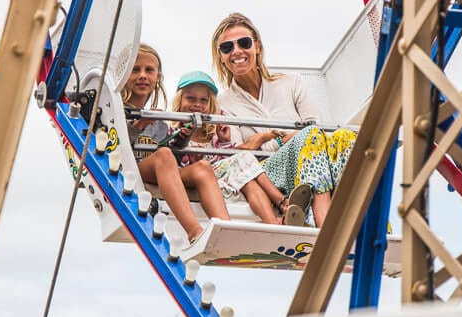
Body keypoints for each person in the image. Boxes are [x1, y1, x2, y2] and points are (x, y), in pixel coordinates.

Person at [211, 13, 358, 227]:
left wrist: (265, 139)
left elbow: (318, 124)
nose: (236, 51)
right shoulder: (223, 105)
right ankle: (321, 222)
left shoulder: (291, 83)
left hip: (312, 160)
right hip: (269, 174)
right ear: (222, 56)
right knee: (311, 137)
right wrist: (284, 139)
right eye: (227, 47)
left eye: (244, 43)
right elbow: (239, 152)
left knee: (345, 136)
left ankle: (359, 214)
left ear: (257, 46)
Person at [170, 70, 309, 226]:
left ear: (210, 105)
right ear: (179, 100)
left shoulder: (213, 133)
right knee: (244, 157)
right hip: (199, 178)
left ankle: (272, 222)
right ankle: (282, 202)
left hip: (221, 176)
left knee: (247, 181)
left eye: (204, 100)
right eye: (191, 98)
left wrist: (224, 142)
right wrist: (190, 157)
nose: (197, 104)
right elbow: (172, 162)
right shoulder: (174, 131)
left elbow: (225, 161)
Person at [122, 44, 230, 241]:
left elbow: (172, 155)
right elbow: (116, 145)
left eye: (149, 70)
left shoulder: (160, 121)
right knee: (163, 156)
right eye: (135, 70)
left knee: (203, 168)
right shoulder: (116, 110)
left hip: (159, 167)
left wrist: (183, 136)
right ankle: (194, 231)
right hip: (131, 170)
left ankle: (225, 230)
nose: (143, 75)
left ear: (158, 77)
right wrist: (138, 126)